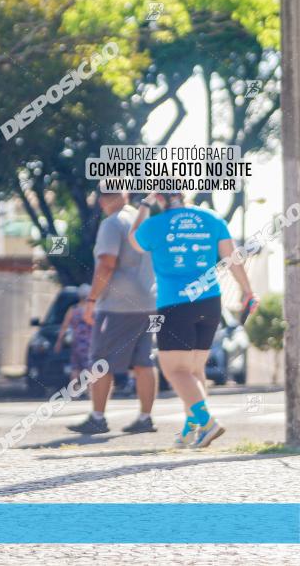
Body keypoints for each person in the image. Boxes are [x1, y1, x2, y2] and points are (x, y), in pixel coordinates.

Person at [129, 191, 257, 448]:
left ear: (160, 198)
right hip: (210, 303)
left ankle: (207, 422)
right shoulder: (212, 218)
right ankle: (192, 429)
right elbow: (233, 259)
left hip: (175, 304)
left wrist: (144, 205)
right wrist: (248, 291)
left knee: (175, 370)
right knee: (194, 370)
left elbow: (133, 239)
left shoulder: (155, 224)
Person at [69, 191, 159, 435]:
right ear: (125, 195)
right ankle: (145, 418)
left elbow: (107, 263)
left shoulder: (112, 223)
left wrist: (92, 299)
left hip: (118, 305)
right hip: (149, 301)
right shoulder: (142, 220)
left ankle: (97, 418)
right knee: (143, 360)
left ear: (100, 200)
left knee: (100, 360)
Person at [54, 284, 93, 385]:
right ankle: (91, 391)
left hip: (76, 342)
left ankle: (73, 392)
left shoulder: (73, 309)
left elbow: (64, 326)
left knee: (75, 368)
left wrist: (59, 342)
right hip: (90, 343)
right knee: (90, 368)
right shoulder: (92, 309)